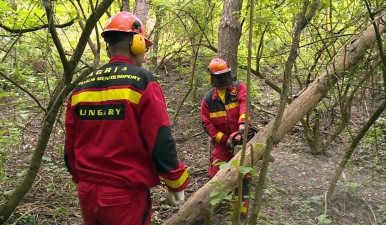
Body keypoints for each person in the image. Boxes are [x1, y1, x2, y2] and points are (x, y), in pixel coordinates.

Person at [64, 11, 189, 225]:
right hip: (124, 197)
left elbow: (70, 146)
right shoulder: (142, 81)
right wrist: (175, 181)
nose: (145, 52)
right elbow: (160, 138)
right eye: (145, 46)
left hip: (87, 194)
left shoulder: (80, 88)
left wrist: (80, 178)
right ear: (137, 43)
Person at [200, 58, 252, 218]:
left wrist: (242, 126)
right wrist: (225, 139)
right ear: (212, 78)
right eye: (219, 77)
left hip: (241, 138)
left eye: (224, 76)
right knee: (216, 173)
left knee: (244, 174)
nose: (222, 80)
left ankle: (240, 211)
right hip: (222, 143)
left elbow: (245, 104)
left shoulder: (239, 88)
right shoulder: (208, 100)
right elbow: (208, 125)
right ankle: (215, 208)